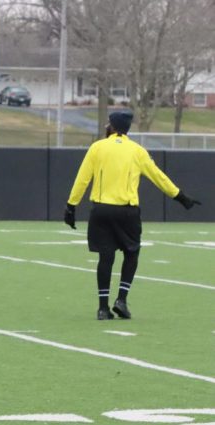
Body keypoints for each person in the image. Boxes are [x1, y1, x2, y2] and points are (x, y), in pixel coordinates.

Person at [65, 109, 201, 320]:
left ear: (112, 126)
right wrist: (181, 197)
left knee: (106, 257)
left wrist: (71, 206)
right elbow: (158, 177)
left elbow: (82, 179)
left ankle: (103, 308)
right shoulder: (137, 151)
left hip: (101, 210)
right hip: (127, 211)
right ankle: (121, 299)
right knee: (131, 253)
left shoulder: (97, 148)